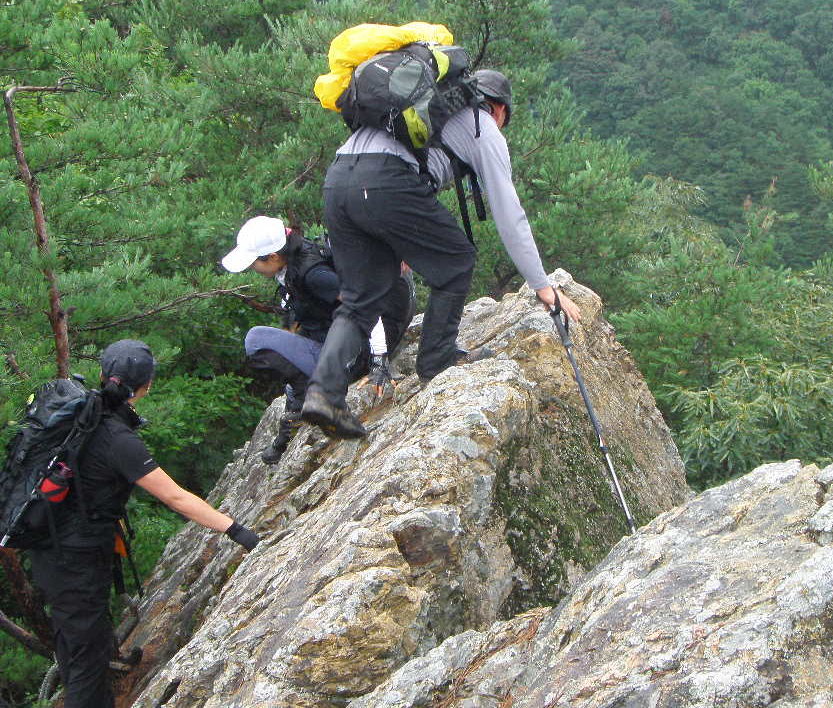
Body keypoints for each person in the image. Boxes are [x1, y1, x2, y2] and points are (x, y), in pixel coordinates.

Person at [302, 68, 582, 439]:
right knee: (456, 260)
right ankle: (437, 359)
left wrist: (396, 237)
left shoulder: (409, 110)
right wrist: (542, 285)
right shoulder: (483, 127)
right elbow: (509, 214)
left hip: (339, 180)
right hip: (386, 185)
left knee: (360, 298)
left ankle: (324, 393)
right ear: (497, 108)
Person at [27, 339, 259, 708]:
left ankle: (104, 666)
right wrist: (237, 531)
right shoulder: (119, 439)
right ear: (146, 387)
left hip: (52, 548)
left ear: (103, 375)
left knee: (75, 635)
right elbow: (176, 497)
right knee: (84, 661)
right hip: (75, 559)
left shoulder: (85, 413)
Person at [221, 216, 414, 461]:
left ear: (273, 257)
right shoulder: (295, 260)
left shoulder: (313, 275)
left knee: (256, 340)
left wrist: (378, 362)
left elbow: (366, 303)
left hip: (359, 351)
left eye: (253, 263)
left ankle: (309, 400)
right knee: (294, 339)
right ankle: (297, 410)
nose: (252, 269)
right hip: (350, 340)